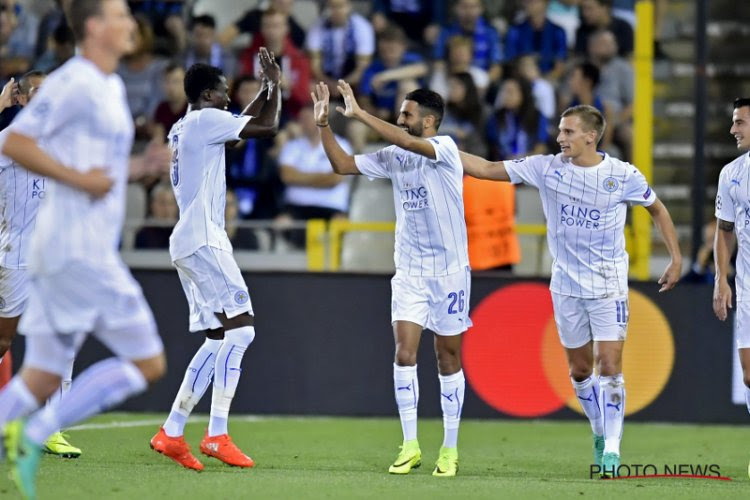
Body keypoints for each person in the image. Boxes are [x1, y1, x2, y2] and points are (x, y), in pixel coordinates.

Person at [0, 1, 167, 497]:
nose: (130, 23)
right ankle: (32, 435)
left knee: (39, 377)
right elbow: (15, 144)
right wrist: (81, 180)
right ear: (94, 27)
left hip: (66, 245)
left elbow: (96, 171)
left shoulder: (110, 85)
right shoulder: (72, 82)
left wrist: (140, 167)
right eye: (120, 15)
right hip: (78, 250)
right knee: (149, 364)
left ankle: (25, 428)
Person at [459, 104, 681, 477]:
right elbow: (484, 168)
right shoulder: (546, 168)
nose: (560, 137)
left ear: (590, 136)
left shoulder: (622, 175)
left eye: (568, 132)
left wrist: (675, 257)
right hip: (566, 285)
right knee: (580, 371)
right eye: (560, 131)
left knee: (609, 365)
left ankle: (612, 449)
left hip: (609, 283)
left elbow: (657, 209)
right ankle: (598, 430)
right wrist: (443, 149)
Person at [313, 81, 471, 477]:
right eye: (400, 114)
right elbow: (343, 165)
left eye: (407, 114)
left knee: (447, 356)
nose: (401, 120)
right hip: (410, 273)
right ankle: (410, 444)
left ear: (429, 122)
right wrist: (324, 126)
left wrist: (361, 113)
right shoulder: (393, 156)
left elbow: (408, 141)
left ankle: (449, 449)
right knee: (405, 353)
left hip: (451, 273)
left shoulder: (446, 149)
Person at [149, 52, 281, 471]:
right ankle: (217, 434)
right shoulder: (206, 122)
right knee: (242, 331)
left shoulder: (186, 125)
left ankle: (172, 431)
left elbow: (239, 126)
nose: (228, 95)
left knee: (217, 337)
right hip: (205, 239)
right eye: (223, 89)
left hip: (187, 240)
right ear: (208, 94)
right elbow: (266, 126)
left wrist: (263, 91)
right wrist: (275, 88)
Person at [0, 70, 82, 459]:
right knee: (4, 340)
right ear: (23, 99)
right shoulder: (11, 141)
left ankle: (51, 427)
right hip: (14, 254)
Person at [713, 99, 750, 478]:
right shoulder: (732, 174)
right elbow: (725, 232)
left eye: (739, 122)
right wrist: (720, 278)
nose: (733, 129)